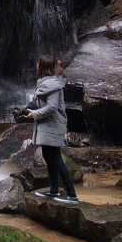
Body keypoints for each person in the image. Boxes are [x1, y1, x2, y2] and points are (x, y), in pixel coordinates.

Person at [26, 55, 79, 204]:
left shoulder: (54, 85)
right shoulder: (46, 83)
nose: (36, 65)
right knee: (48, 156)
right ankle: (54, 190)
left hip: (53, 125)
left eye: (38, 63)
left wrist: (34, 115)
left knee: (56, 158)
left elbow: (52, 107)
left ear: (43, 67)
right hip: (47, 125)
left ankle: (71, 194)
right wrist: (26, 111)